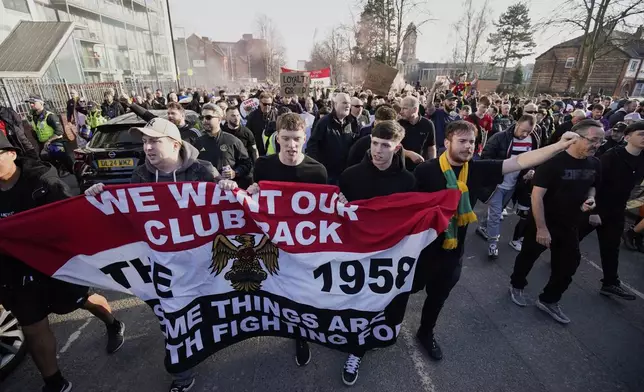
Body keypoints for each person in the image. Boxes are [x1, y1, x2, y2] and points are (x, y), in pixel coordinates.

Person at [413, 120, 579, 359]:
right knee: (404, 291)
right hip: (421, 250)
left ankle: (425, 333)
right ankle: (387, 327)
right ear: (447, 142)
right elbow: (401, 204)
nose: (469, 147)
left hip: (452, 251)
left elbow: (519, 161)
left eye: (472, 142)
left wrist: (558, 146)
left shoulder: (477, 169)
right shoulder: (426, 171)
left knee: (438, 297)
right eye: (462, 141)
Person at [85, 117, 219, 392]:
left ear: (174, 144)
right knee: (173, 320)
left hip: (200, 263)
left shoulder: (203, 171)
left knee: (203, 314)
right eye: (145, 142)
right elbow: (129, 214)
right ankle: (183, 375)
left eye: (154, 141)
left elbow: (225, 212)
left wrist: (229, 188)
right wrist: (101, 195)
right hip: (162, 265)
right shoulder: (141, 175)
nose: (147, 147)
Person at [0, 134, 125, 392]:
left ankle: (113, 323)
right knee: (33, 326)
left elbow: (69, 219)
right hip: (15, 271)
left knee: (83, 300)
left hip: (52, 262)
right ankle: (55, 382)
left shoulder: (43, 181)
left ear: (11, 154)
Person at [228, 113, 326, 370]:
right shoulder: (264, 165)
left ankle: (301, 335)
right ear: (277, 139)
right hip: (272, 242)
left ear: (304, 139)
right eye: (286, 139)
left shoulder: (317, 171)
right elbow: (257, 201)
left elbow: (321, 214)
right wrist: (252, 191)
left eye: (296, 139)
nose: (291, 145)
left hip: (303, 247)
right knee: (276, 289)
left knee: (302, 292)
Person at [336, 120, 415, 385]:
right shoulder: (350, 176)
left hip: (388, 258)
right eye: (374, 143)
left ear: (397, 147)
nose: (378, 150)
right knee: (356, 305)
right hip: (355, 256)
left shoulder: (408, 181)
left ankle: (362, 345)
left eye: (385, 145)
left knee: (380, 308)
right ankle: (354, 348)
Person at [509, 119, 604, 324]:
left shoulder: (595, 163)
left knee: (570, 263)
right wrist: (541, 228)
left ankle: (549, 299)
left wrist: (591, 198)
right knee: (528, 257)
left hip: (571, 224)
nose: (597, 145)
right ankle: (516, 285)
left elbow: (593, 186)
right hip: (543, 222)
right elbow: (537, 197)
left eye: (600, 142)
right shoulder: (553, 163)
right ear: (576, 136)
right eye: (594, 140)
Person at [577, 120, 644, 300]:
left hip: (617, 210)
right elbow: (594, 182)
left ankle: (610, 283)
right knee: (572, 238)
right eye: (641, 134)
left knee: (611, 248)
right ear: (628, 137)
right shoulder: (612, 156)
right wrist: (593, 212)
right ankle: (556, 258)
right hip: (597, 207)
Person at [476, 115, 543, 259]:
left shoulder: (533, 140)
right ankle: (493, 245)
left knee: (498, 210)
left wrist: (530, 171)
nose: (525, 134)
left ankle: (482, 226)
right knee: (496, 215)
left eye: (528, 132)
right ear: (516, 124)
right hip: (497, 184)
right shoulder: (499, 138)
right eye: (523, 130)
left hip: (514, 184)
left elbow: (533, 159)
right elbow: (486, 159)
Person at [193, 104, 252, 188]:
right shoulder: (198, 142)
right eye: (202, 118)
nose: (204, 121)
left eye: (208, 117)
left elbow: (247, 164)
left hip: (227, 191)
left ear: (219, 119)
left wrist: (235, 172)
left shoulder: (232, 141)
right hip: (205, 191)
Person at [306, 93, 358, 184]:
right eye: (344, 103)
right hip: (328, 174)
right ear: (335, 104)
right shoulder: (324, 122)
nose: (347, 106)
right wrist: (318, 167)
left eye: (349, 103)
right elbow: (312, 145)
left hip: (346, 173)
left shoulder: (352, 122)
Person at [125, 100, 202, 146]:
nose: (170, 116)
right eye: (168, 113)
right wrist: (132, 105)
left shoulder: (193, 132)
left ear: (182, 115)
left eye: (173, 113)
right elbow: (148, 116)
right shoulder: (165, 127)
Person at [399, 96, 436, 168]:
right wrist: (409, 154)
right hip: (402, 168)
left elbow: (431, 147)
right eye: (401, 108)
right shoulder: (399, 124)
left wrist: (433, 165)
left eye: (404, 108)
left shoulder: (428, 124)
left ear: (415, 109)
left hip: (422, 168)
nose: (401, 112)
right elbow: (394, 146)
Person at [425, 87, 460, 151]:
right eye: (450, 100)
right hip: (436, 149)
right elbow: (429, 104)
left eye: (454, 100)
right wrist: (434, 87)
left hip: (450, 150)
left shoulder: (457, 117)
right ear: (443, 102)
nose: (452, 102)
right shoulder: (436, 112)